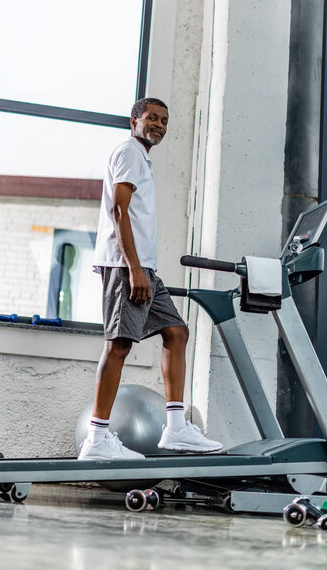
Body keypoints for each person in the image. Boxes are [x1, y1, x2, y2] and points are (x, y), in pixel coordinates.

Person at [78, 97, 223, 460]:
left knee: (176, 332)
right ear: (134, 121)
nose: (158, 124)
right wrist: (134, 268)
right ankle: (96, 439)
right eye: (151, 118)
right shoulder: (128, 151)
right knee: (120, 345)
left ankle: (175, 427)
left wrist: (144, 269)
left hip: (144, 267)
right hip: (126, 265)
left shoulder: (142, 157)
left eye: (164, 120)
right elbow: (118, 209)